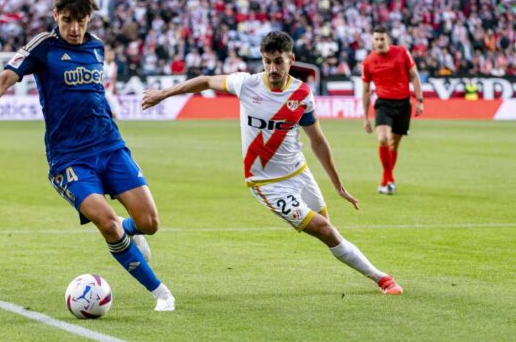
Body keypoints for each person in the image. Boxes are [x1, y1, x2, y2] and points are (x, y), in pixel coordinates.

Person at [0, 0, 175, 312]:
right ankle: (161, 293)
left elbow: (95, 95)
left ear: (89, 18)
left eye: (81, 20)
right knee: (106, 223)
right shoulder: (42, 46)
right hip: (70, 158)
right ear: (56, 15)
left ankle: (129, 230)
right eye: (67, 20)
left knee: (150, 223)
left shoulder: (97, 47)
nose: (74, 28)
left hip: (110, 146)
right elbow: (5, 79)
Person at [142, 31, 403, 295]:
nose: (272, 68)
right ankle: (381, 278)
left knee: (328, 227)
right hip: (266, 183)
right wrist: (164, 94)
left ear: (291, 59)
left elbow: (318, 141)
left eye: (278, 61)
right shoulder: (246, 84)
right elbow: (206, 81)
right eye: (267, 61)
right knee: (325, 230)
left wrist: (338, 185)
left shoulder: (301, 94)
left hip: (298, 172)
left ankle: (370, 272)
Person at [361, 26, 424, 195]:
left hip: (403, 104)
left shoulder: (402, 53)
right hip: (383, 104)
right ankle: (389, 180)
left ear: (388, 39)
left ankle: (386, 179)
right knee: (383, 139)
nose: (379, 42)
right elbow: (366, 90)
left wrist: (419, 100)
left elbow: (414, 76)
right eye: (377, 39)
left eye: (382, 39)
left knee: (394, 144)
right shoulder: (368, 62)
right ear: (372, 41)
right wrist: (366, 117)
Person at [102, 45, 121, 119]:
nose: (111, 56)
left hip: (109, 89)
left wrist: (114, 88)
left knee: (115, 105)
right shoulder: (102, 64)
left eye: (112, 55)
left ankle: (114, 116)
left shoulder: (114, 65)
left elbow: (114, 78)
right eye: (109, 54)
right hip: (101, 89)